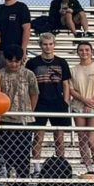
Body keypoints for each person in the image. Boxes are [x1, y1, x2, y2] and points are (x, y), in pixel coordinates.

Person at [27, 32, 72, 163]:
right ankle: (36, 167)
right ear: (40, 45)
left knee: (59, 138)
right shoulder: (32, 63)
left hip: (58, 102)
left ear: (54, 45)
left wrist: (65, 101)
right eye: (45, 44)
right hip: (40, 103)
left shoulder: (62, 62)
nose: (48, 47)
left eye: (50, 44)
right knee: (38, 137)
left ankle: (61, 165)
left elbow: (66, 83)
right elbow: (29, 84)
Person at [0, 47, 39, 184]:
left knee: (23, 154)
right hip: (5, 119)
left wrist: (29, 111)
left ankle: (22, 185)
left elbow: (34, 93)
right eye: (10, 61)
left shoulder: (29, 74)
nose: (14, 64)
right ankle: (6, 182)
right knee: (6, 153)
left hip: (24, 120)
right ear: (5, 60)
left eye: (17, 61)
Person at [69, 41, 94, 173]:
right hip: (79, 105)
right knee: (82, 138)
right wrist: (84, 100)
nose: (84, 52)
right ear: (77, 52)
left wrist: (91, 101)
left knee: (92, 139)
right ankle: (88, 167)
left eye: (87, 50)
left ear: (91, 52)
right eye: (81, 50)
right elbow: (71, 90)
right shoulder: (73, 70)